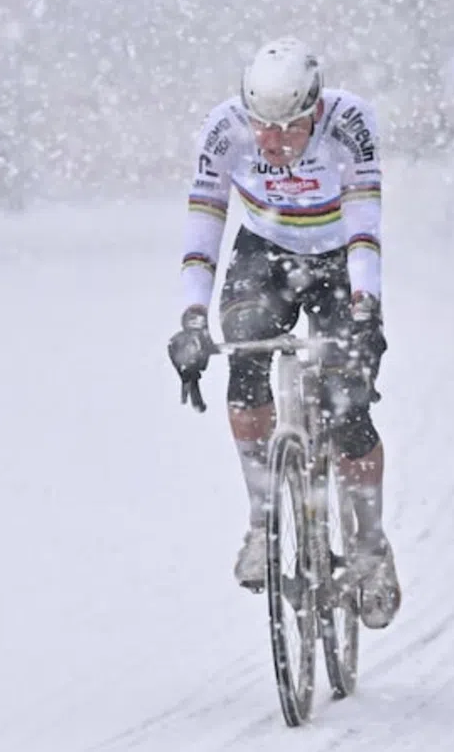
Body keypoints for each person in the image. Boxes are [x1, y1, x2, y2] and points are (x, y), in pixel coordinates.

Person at [165, 37, 400, 630]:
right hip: (264, 253)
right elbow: (205, 221)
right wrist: (192, 318)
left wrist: (366, 308)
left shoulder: (350, 123)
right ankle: (261, 521)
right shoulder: (225, 130)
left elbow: (365, 224)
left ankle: (370, 547)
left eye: (288, 129)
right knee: (243, 361)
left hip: (337, 257)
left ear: (315, 111)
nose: (272, 142)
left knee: (347, 405)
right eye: (260, 128)